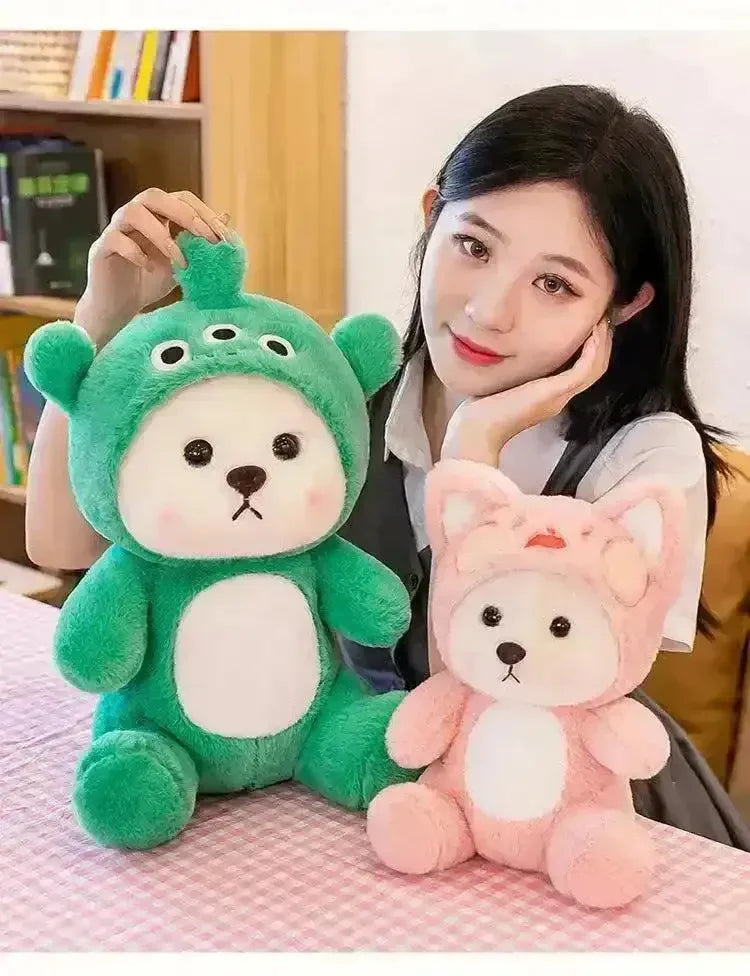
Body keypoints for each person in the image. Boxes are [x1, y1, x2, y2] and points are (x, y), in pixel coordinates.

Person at [25, 85, 749, 848]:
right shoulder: (339, 396)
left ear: (625, 306)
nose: (489, 310)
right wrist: (102, 320)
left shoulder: (647, 459)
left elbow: (485, 696)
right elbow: (62, 547)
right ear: (432, 214)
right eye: (475, 246)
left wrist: (474, 451)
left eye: (555, 284)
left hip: (572, 818)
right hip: (360, 790)